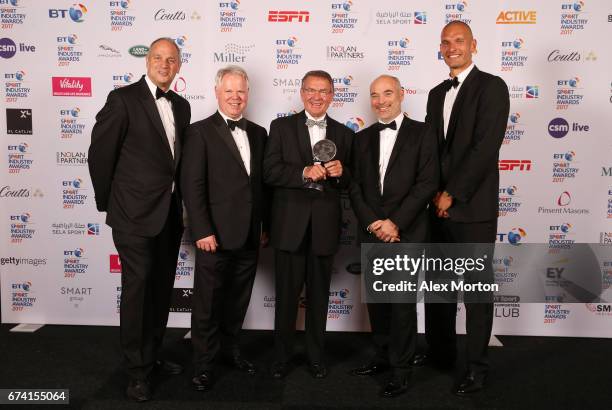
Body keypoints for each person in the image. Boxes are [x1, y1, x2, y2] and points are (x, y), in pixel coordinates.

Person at [88, 37, 191, 402]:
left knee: (161, 288)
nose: (165, 64)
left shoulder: (182, 105)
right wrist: (110, 205)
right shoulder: (123, 99)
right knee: (138, 289)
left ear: (179, 66)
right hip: (131, 215)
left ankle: (153, 355)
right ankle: (136, 371)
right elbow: (100, 156)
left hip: (168, 214)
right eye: (159, 58)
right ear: (148, 61)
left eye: (172, 60)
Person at [413, 20, 510, 396]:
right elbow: (431, 150)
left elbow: (485, 148)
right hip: (435, 206)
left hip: (471, 207)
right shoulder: (437, 93)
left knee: (475, 293)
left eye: (459, 41)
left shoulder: (492, 87)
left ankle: (476, 367)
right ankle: (440, 352)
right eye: (446, 42)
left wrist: (451, 193)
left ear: (473, 45)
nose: (452, 47)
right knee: (439, 287)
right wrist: (430, 195)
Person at [348, 75, 438, 398]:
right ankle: (382, 356)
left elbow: (427, 183)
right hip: (373, 233)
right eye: (374, 95)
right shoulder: (361, 139)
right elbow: (354, 187)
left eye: (387, 93)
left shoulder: (424, 133)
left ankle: (402, 370)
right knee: (379, 303)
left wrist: (395, 222)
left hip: (406, 233)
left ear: (401, 94)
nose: (381, 101)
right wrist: (374, 222)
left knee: (401, 306)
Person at [180, 66, 269, 392]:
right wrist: (202, 230)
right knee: (207, 304)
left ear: (248, 94)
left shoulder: (259, 133)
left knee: (237, 300)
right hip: (213, 236)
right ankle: (203, 365)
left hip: (249, 234)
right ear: (217, 92)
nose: (236, 97)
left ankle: (231, 353)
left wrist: (264, 225)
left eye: (241, 91)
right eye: (229, 91)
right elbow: (193, 185)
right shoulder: (199, 132)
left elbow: (262, 187)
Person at [263, 70, 353, 379]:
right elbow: (270, 172)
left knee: (319, 298)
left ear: (332, 95)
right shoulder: (281, 127)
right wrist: (303, 172)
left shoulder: (344, 134)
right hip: (290, 225)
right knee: (286, 298)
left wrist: (341, 173)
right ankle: (281, 357)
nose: (317, 96)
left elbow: (351, 183)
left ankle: (316, 356)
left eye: (323, 91)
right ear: (302, 93)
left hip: (325, 227)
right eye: (311, 90)